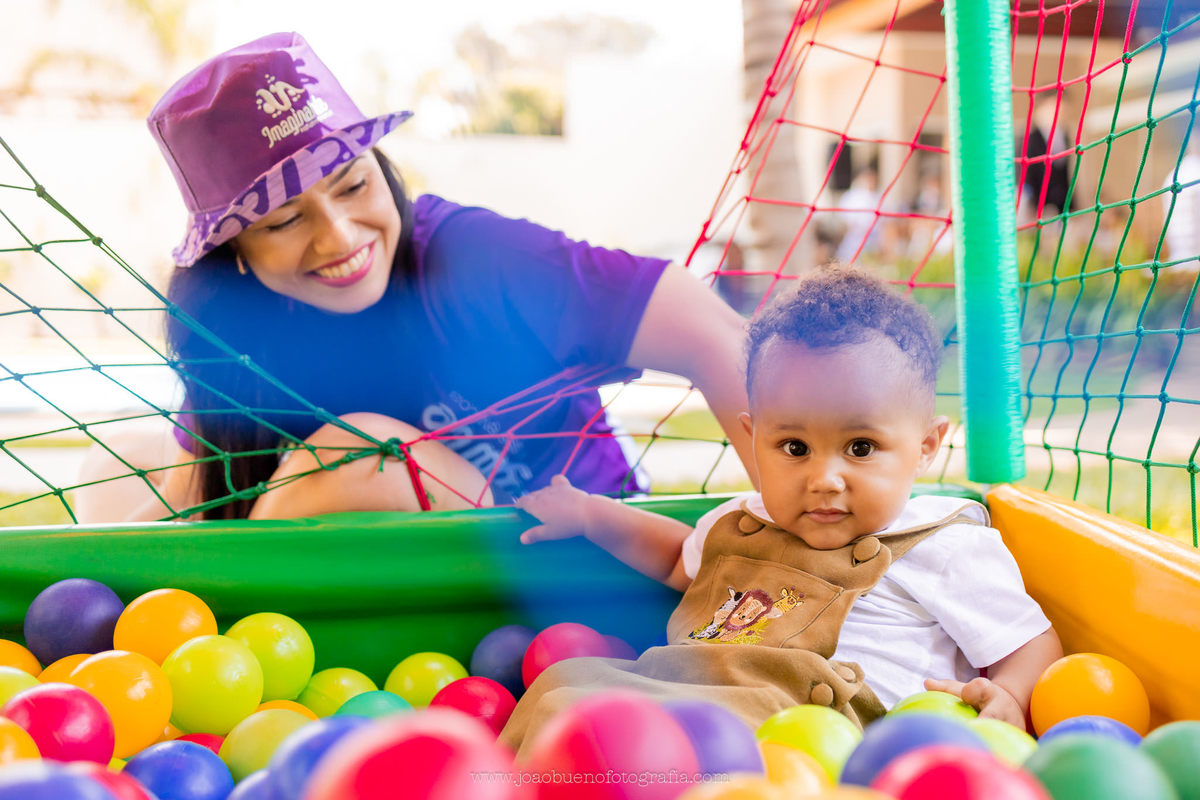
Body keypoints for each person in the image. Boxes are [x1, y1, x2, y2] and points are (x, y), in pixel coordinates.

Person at [73, 32, 754, 522]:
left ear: (383, 167)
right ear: (237, 254)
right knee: (111, 469)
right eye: (283, 222)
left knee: (357, 446)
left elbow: (719, 335)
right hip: (412, 555)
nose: (339, 238)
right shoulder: (240, 326)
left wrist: (798, 532)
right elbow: (208, 489)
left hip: (584, 548)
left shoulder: (479, 259)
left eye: (353, 184)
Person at [502, 266, 1061, 753]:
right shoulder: (740, 521)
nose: (824, 479)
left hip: (807, 735)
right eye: (794, 448)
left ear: (925, 446)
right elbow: (678, 557)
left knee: (658, 745)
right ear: (753, 438)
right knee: (563, 683)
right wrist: (594, 516)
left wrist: (1008, 696)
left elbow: (1030, 640)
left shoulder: (943, 545)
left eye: (860, 448)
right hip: (683, 689)